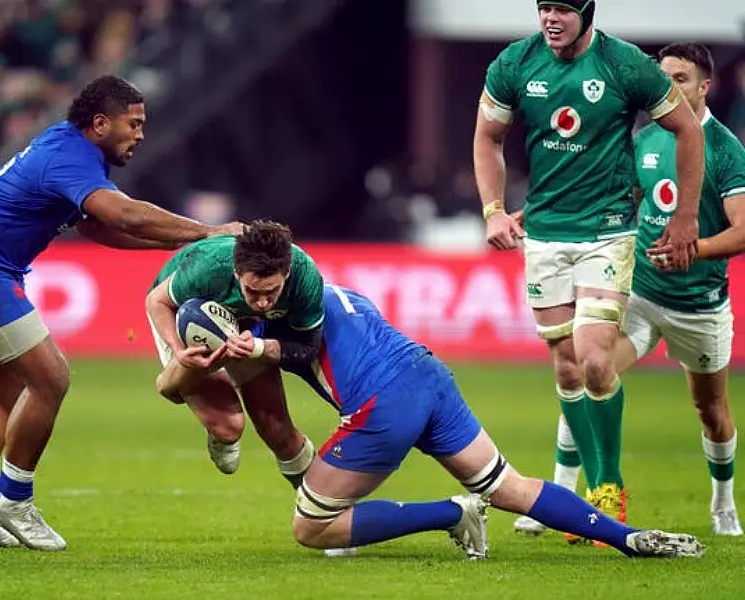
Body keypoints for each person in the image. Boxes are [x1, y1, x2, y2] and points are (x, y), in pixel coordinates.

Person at [0, 75, 243, 551]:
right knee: (51, 378)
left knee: (5, 388)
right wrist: (207, 232)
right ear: (100, 123)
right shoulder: (68, 158)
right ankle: (13, 499)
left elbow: (99, 229)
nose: (141, 134)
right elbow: (124, 215)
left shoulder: (71, 149)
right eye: (133, 124)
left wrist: (183, 240)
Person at [474, 0, 705, 534]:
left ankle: (607, 483)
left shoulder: (625, 65)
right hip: (546, 234)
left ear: (586, 12)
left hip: (607, 231)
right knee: (566, 367)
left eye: (561, 10)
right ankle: (589, 498)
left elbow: (688, 131)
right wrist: (492, 210)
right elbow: (488, 137)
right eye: (543, 9)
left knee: (596, 359)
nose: (550, 19)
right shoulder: (514, 64)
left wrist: (686, 217)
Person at [264, 284, 703, 559]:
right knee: (509, 486)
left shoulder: (281, 318)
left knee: (312, 527)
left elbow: (274, 369)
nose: (259, 300)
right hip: (428, 375)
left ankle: (451, 513)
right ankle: (626, 538)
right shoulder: (338, 291)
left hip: (384, 404)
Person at [518, 43, 745, 538]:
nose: (669, 86)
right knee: (584, 367)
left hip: (699, 306)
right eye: (663, 77)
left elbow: (743, 229)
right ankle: (565, 499)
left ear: (705, 86)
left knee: (711, 411)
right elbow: (614, 197)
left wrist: (697, 248)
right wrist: (538, 214)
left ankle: (723, 503)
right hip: (639, 293)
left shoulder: (725, 149)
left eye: (681, 78)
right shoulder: (644, 140)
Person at [147, 220, 323, 489]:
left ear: (286, 273)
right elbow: (157, 301)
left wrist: (259, 347)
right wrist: (180, 352)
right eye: (252, 291)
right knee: (229, 428)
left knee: (278, 431)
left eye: (271, 292)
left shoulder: (305, 276)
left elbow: (307, 348)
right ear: (236, 272)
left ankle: (318, 506)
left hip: (245, 328)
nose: (263, 302)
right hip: (184, 316)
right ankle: (171, 383)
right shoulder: (210, 267)